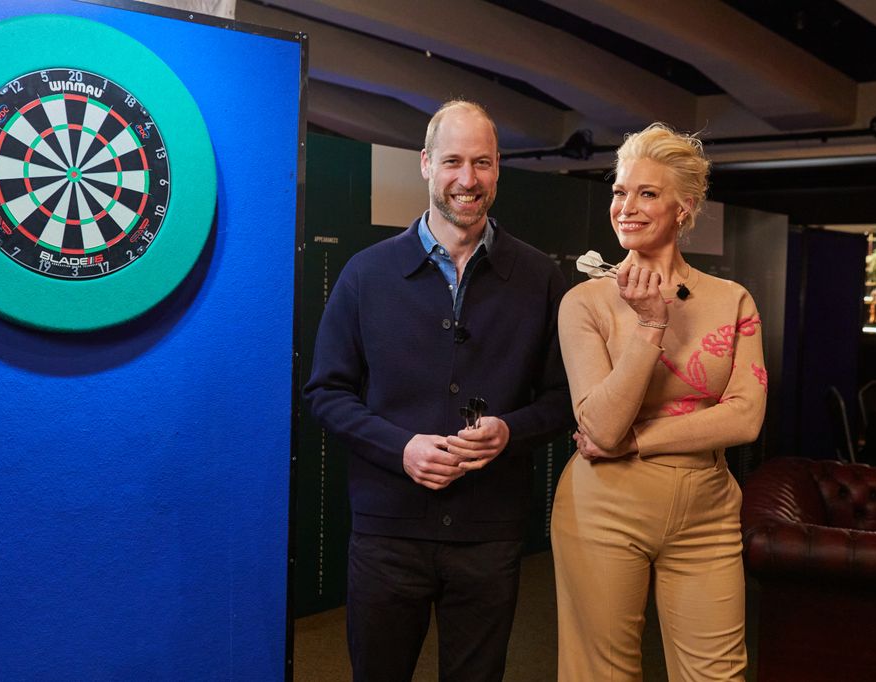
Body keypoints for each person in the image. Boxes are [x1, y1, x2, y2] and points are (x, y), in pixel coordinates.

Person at [304, 100, 573, 682]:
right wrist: (400, 448)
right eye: (453, 161)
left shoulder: (540, 278)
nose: (467, 180)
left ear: (499, 168)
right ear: (426, 164)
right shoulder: (365, 274)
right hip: (387, 534)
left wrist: (511, 432)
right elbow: (326, 393)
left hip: (489, 536)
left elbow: (563, 399)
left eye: (482, 162)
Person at [551, 123, 767, 681]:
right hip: (602, 506)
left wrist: (637, 441)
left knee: (717, 675)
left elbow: (745, 416)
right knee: (601, 674)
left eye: (647, 193)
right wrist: (650, 323)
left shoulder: (731, 299)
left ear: (684, 209)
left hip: (707, 511)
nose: (627, 206)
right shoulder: (585, 302)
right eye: (621, 191)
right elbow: (599, 426)